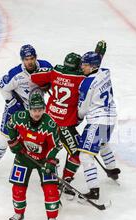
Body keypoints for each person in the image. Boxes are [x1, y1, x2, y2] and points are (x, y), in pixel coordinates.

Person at [30, 41, 107, 198]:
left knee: (50, 148)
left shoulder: (55, 72)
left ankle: (51, 172)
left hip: (48, 119)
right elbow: (93, 71)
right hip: (64, 125)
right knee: (76, 154)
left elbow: (35, 78)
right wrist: (99, 54)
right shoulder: (81, 79)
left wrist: (47, 84)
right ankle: (64, 181)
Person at [0, 44, 52, 176]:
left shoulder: (46, 67)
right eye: (26, 59)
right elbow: (1, 86)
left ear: (36, 57)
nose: (29, 61)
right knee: (5, 136)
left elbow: (54, 80)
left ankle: (48, 161)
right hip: (18, 107)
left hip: (38, 109)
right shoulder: (16, 74)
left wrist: (50, 85)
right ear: (22, 60)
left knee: (44, 135)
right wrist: (12, 103)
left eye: (31, 58)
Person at [6, 91, 63, 220]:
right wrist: (14, 142)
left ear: (44, 109)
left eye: (40, 110)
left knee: (51, 189)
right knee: (18, 188)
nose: (37, 113)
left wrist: (50, 161)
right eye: (34, 110)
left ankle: (52, 219)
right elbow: (10, 125)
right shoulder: (19, 117)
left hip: (43, 160)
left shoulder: (50, 124)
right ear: (29, 109)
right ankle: (18, 214)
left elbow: (56, 145)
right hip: (24, 158)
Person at [77, 51, 119, 200]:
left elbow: (82, 109)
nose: (82, 67)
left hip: (97, 120)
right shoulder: (106, 72)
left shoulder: (86, 84)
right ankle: (113, 169)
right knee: (103, 144)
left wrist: (77, 119)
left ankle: (94, 190)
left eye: (85, 64)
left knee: (85, 155)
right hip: (111, 119)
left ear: (93, 65)